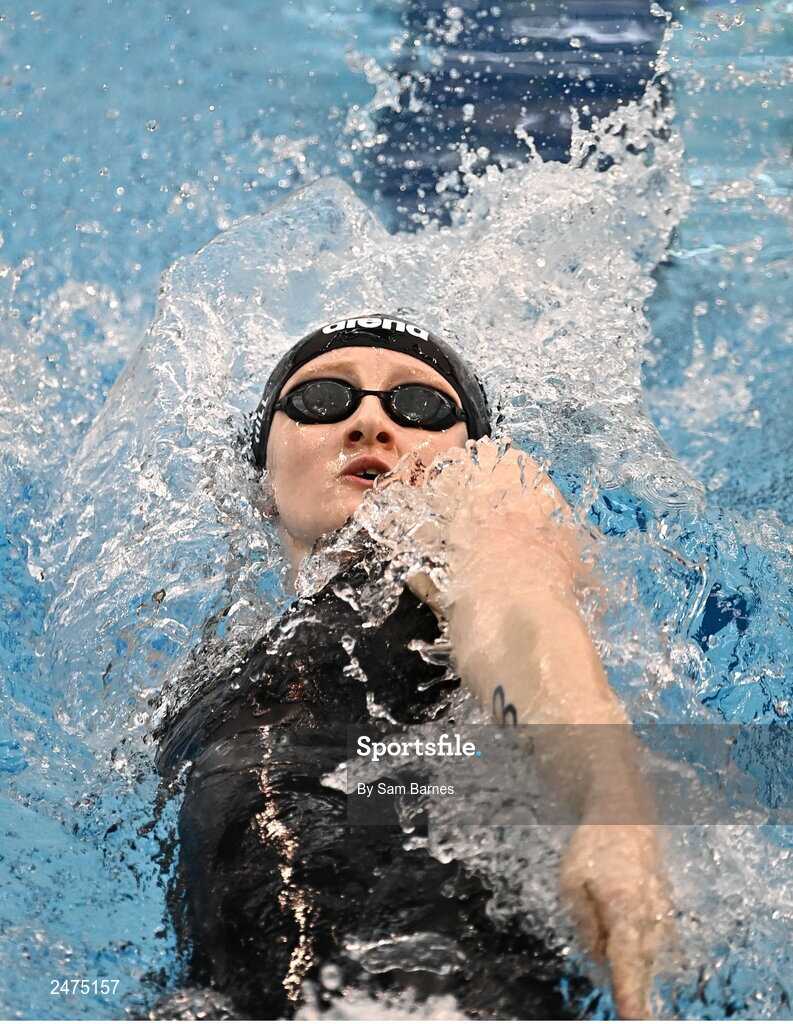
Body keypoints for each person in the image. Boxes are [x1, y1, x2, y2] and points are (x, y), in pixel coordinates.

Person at [156, 314, 672, 1020]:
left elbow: (518, 611)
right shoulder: (235, 653)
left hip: (422, 958)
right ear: (262, 484)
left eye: (421, 407)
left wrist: (614, 807)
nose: (369, 421)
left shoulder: (468, 512)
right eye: (321, 399)